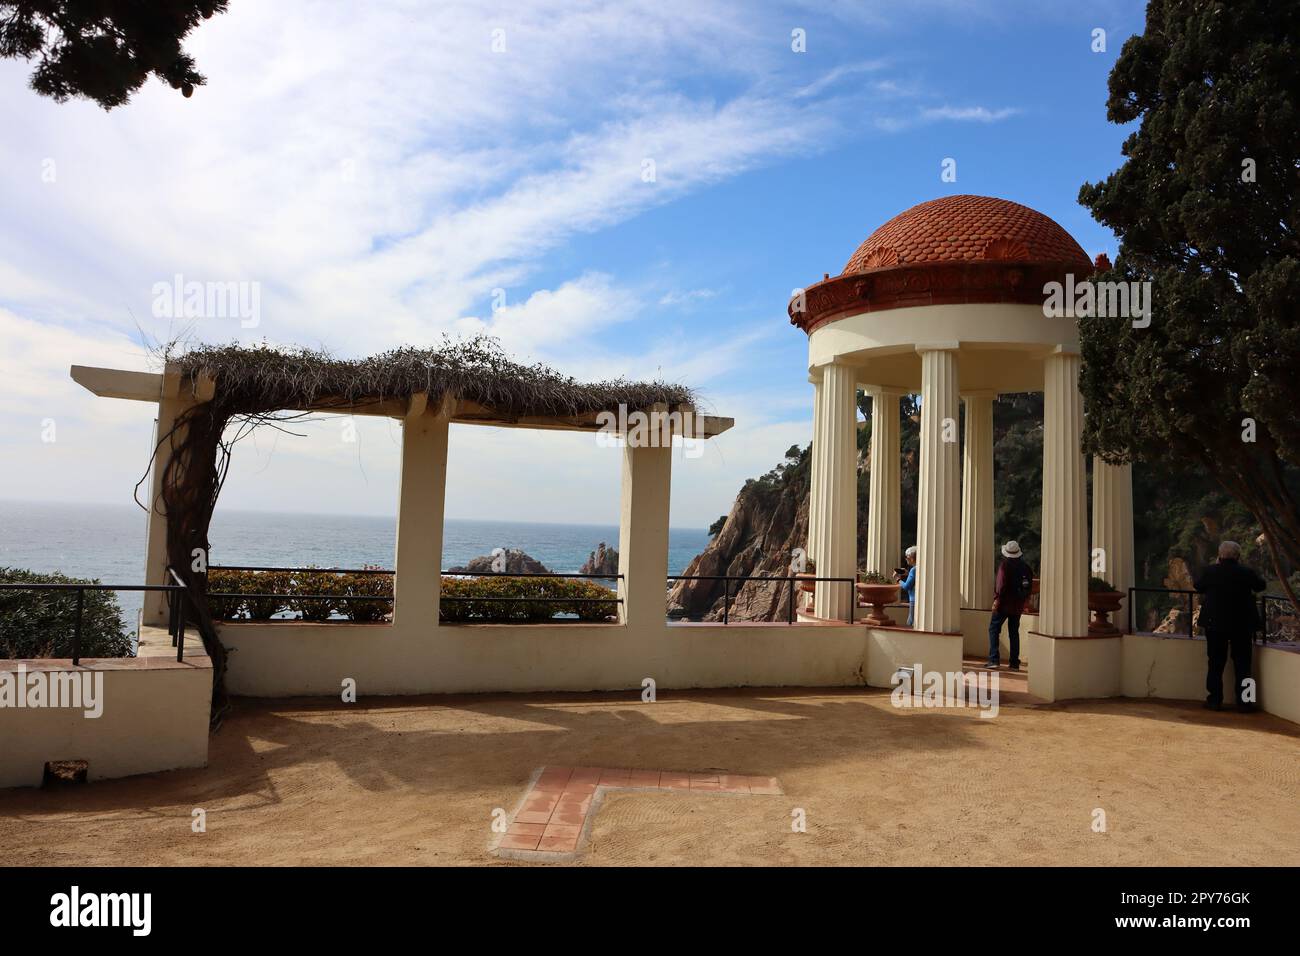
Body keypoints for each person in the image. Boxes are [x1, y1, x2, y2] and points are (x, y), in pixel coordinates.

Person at [1194, 540, 1266, 712]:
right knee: (1243, 664)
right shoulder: (1246, 572)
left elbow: (1198, 586)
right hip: (1242, 624)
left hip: (1215, 624)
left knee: (1215, 663)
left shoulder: (1211, 571)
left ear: (1220, 555)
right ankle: (1245, 703)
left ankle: (1214, 700)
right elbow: (1260, 585)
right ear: (1238, 556)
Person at [987, 540, 1033, 670]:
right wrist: (1025, 601)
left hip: (1003, 605)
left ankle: (994, 659)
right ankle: (1014, 663)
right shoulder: (1025, 567)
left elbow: (1000, 586)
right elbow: (1029, 587)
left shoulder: (1004, 566)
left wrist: (996, 601)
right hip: (1017, 605)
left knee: (993, 629)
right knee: (1014, 633)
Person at [894, 546, 918, 627]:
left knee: (910, 621)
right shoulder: (919, 568)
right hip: (919, 599)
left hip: (913, 600)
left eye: (906, 557)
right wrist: (908, 574)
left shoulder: (913, 570)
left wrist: (897, 579)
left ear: (911, 558)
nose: (906, 559)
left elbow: (907, 586)